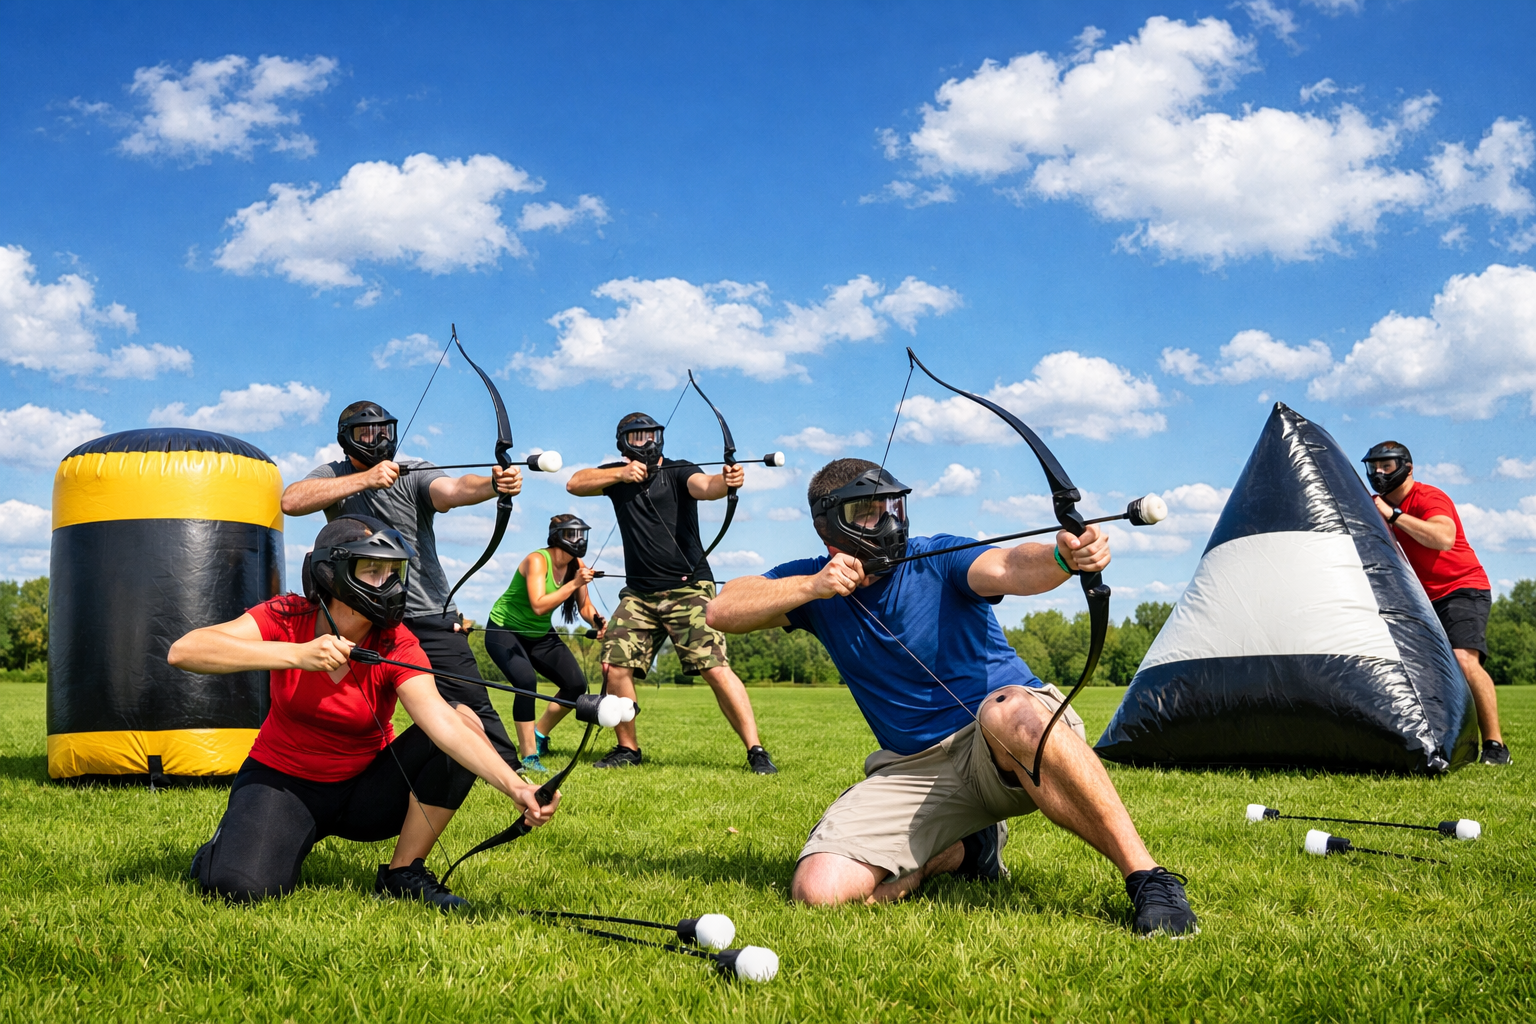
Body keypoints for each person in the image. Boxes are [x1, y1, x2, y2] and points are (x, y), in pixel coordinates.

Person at [704, 458, 1198, 936]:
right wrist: (812, 587)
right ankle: (965, 851)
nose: (889, 520)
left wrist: (1062, 558)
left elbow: (1007, 565)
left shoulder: (938, 556)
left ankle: (1149, 879)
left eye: (894, 505)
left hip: (1006, 741)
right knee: (818, 890)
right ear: (830, 524)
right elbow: (722, 610)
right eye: (869, 510)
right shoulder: (815, 585)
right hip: (912, 768)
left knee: (1010, 710)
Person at [169, 516, 558, 909]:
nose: (389, 584)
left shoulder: (395, 642)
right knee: (240, 889)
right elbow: (185, 651)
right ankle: (223, 846)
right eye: (373, 570)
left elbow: (440, 720)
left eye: (394, 572)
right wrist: (298, 654)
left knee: (464, 720)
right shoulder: (289, 614)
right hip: (283, 783)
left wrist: (516, 786)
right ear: (331, 574)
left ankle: (403, 873)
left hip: (365, 792)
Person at [281, 401, 524, 769]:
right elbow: (291, 500)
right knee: (347, 695)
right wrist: (366, 478)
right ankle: (357, 763)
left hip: (426, 609)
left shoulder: (413, 472)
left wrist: (494, 484)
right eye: (366, 433)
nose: (377, 439)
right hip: (361, 613)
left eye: (384, 431)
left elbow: (453, 489)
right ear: (346, 440)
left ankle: (506, 767)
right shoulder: (334, 473)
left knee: (468, 696)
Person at [566, 412, 777, 774]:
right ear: (622, 443)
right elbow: (574, 483)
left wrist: (727, 481)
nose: (645, 443)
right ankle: (628, 749)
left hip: (688, 588)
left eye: (651, 435)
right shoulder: (616, 477)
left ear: (660, 438)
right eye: (636, 438)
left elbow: (705, 486)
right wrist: (620, 473)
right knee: (614, 665)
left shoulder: (679, 470)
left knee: (714, 668)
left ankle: (756, 750)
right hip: (639, 594)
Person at [1362, 441, 1509, 765]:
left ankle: (1496, 747)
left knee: (1464, 661)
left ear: (1407, 468)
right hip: (1420, 599)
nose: (1379, 473)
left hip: (1462, 588)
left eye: (1386, 466)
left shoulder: (1428, 497)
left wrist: (1394, 515)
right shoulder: (1377, 505)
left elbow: (1443, 538)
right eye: (1373, 467)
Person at [483, 515, 607, 773]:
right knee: (526, 682)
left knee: (575, 685)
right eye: (574, 535)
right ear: (558, 536)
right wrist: (575, 583)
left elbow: (584, 606)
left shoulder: (576, 563)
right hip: (505, 630)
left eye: (582, 534)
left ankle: (539, 735)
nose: (580, 540)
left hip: (540, 634)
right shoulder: (537, 560)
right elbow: (539, 605)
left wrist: (595, 621)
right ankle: (528, 758)